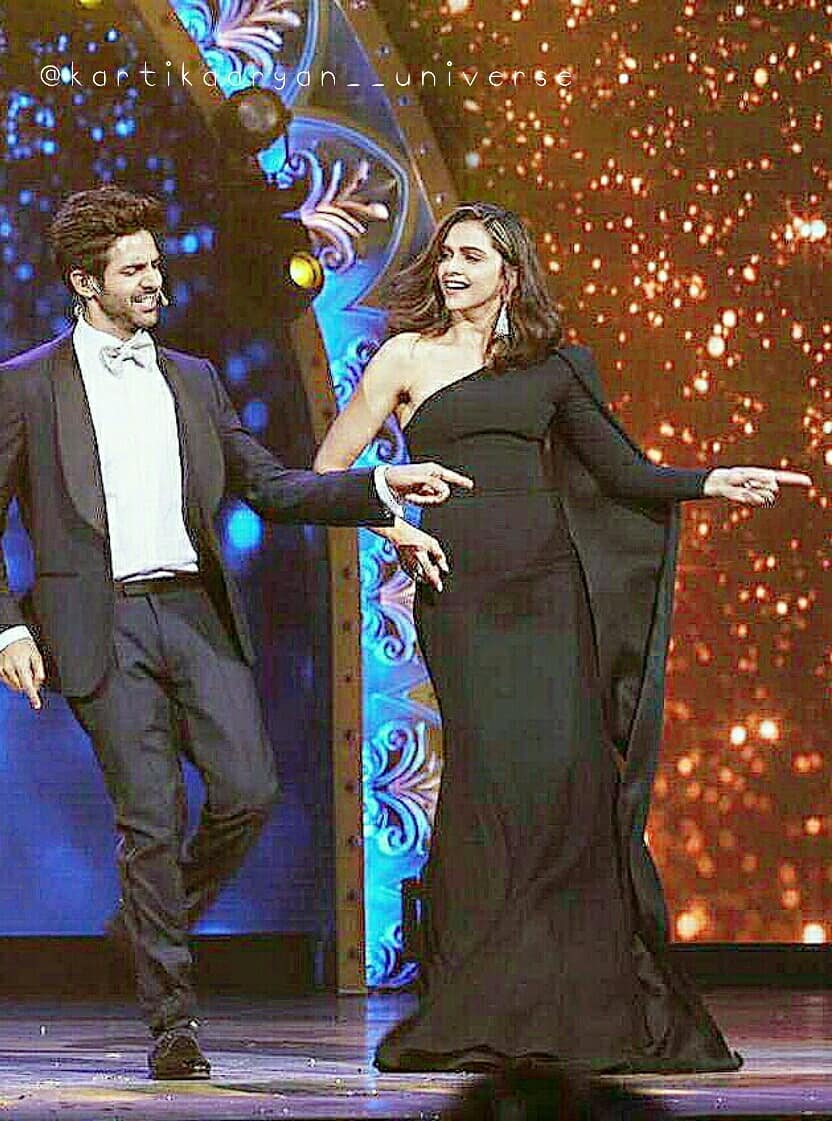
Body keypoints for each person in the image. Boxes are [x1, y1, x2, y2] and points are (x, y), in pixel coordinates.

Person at [0, 185, 472, 1081]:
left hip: (194, 611)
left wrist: (379, 487)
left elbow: (270, 486)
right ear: (85, 282)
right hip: (99, 624)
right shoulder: (26, 384)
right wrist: (5, 631)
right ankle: (173, 1020)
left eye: (156, 264)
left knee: (250, 791)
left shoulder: (192, 378)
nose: (155, 281)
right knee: (151, 816)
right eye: (134, 270)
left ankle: (148, 919)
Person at [313, 201, 812, 1073]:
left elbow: (624, 472)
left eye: (473, 255)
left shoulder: (556, 366)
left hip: (547, 597)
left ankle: (572, 1000)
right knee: (488, 783)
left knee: (568, 784)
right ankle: (481, 998)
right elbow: (329, 471)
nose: (452, 267)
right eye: (447, 254)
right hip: (460, 597)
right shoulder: (404, 357)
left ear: (510, 272)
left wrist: (710, 480)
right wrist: (395, 527)